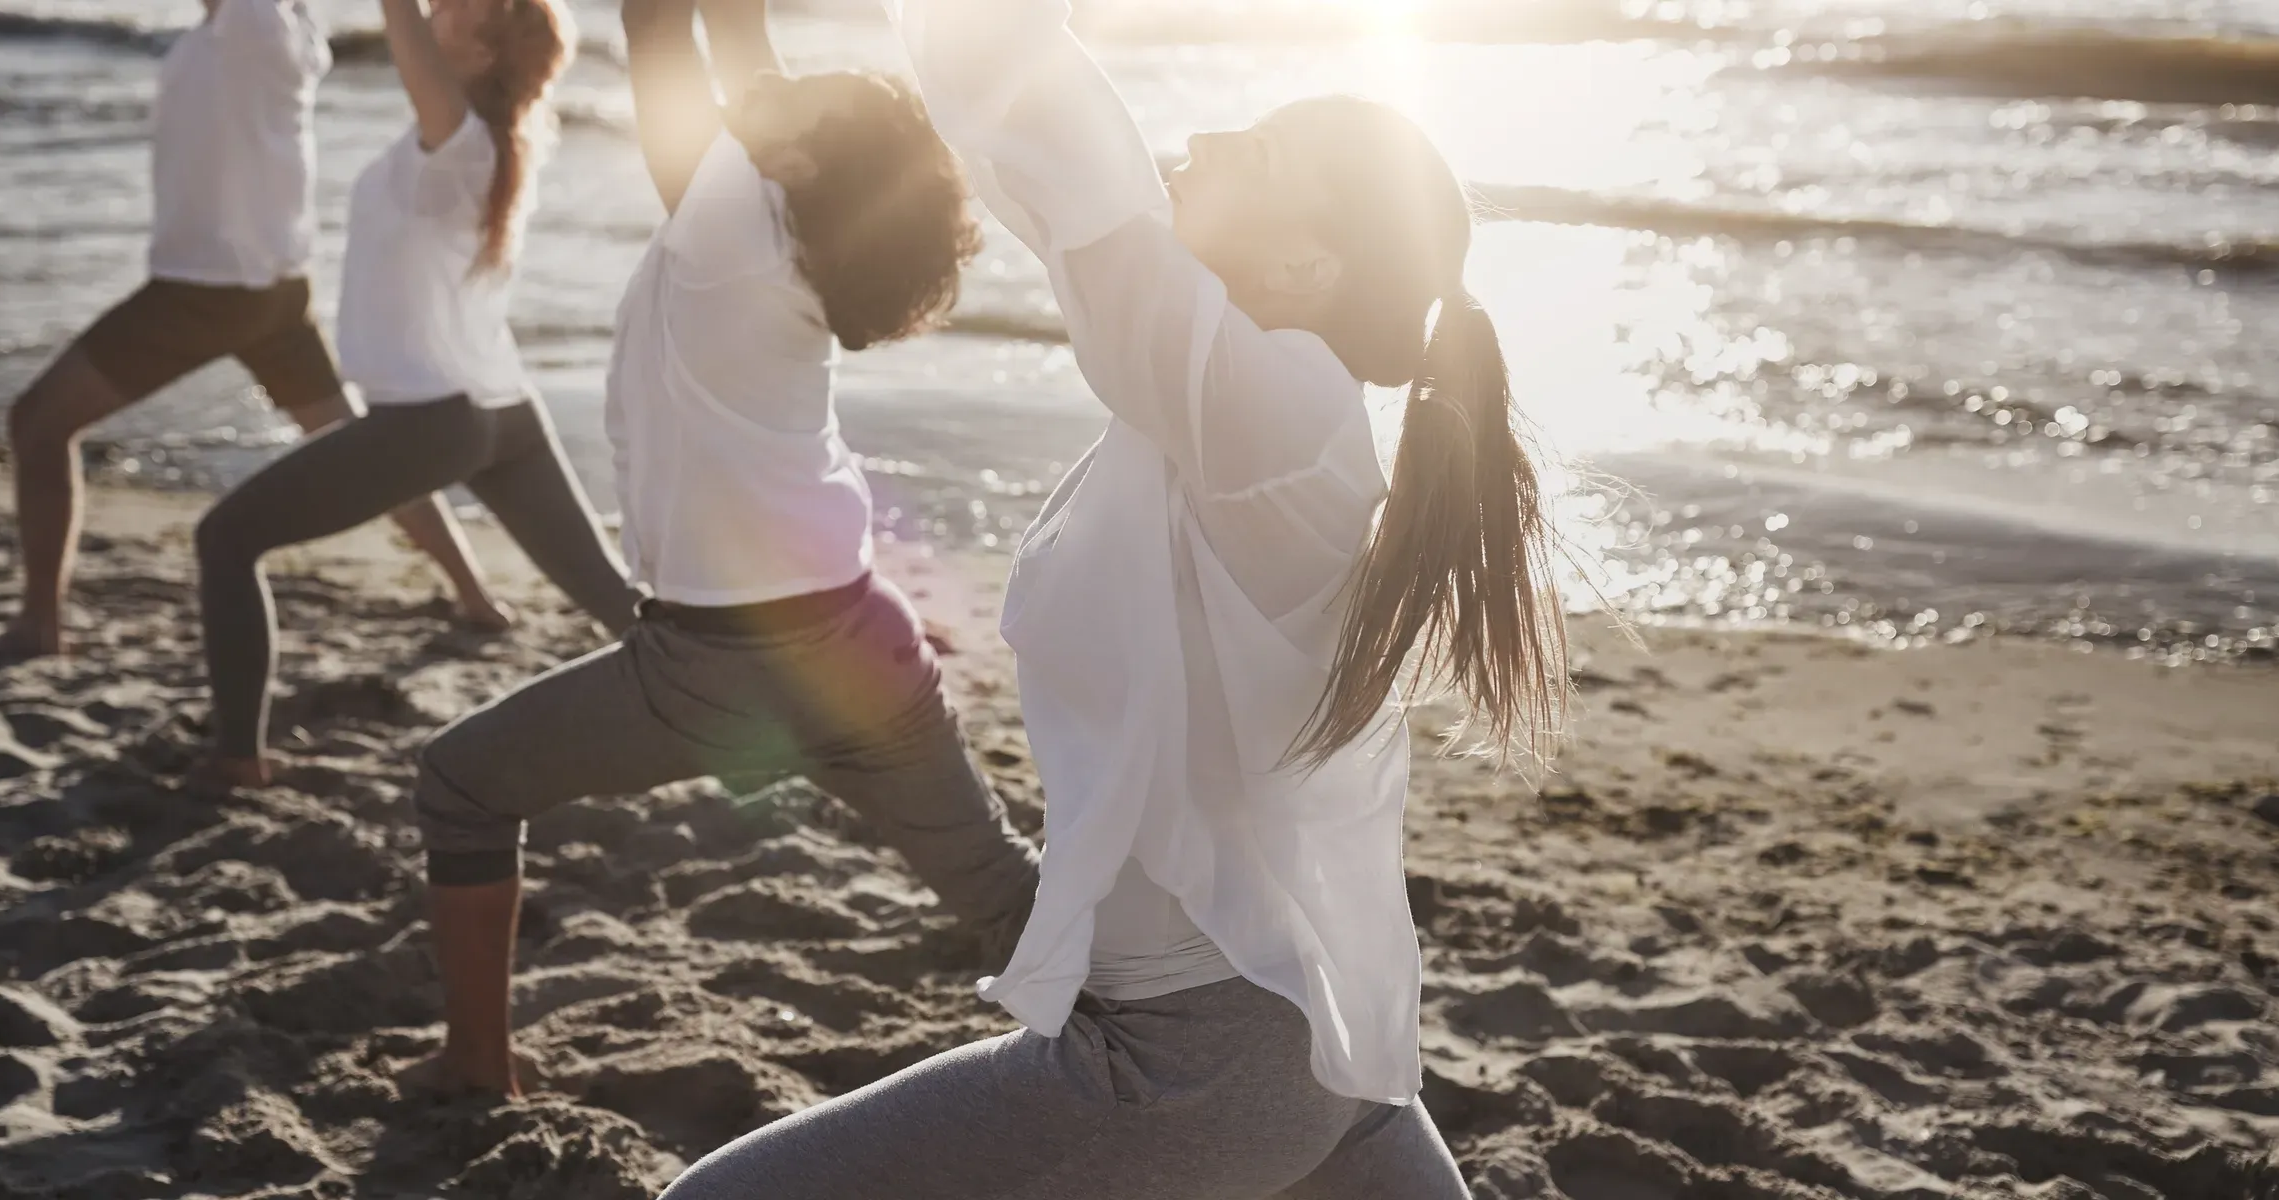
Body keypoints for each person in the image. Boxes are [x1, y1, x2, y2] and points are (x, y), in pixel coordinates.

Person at [653, 0, 1590, 1195]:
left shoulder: (1279, 419)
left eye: (1260, 152)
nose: (1203, 141)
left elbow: (1066, 157)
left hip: (1192, 1068)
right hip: (1316, 1038)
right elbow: (1058, 194)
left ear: (1306, 267)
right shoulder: (1244, 417)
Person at [395, 0, 1040, 1098]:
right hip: (862, 638)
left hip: (717, 667)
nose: (769, 90)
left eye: (796, 103)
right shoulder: (798, 231)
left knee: (459, 785)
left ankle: (474, 1066)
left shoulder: (728, 225)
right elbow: (743, 50)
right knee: (1002, 888)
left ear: (796, 160)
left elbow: (660, 27)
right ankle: (1183, 1030)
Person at [190, 0, 642, 790]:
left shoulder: (461, 141)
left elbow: (399, 16)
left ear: (481, 54)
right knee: (613, 598)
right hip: (502, 408)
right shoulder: (494, 140)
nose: (441, 5)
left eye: (462, 6)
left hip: (436, 420)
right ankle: (762, 719)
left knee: (225, 540)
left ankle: (236, 760)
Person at [0, 0, 509, 658]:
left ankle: (38, 624)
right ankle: (474, 594)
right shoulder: (277, 26)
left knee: (38, 422)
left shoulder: (255, 21)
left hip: (205, 291)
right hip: (274, 291)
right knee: (364, 449)